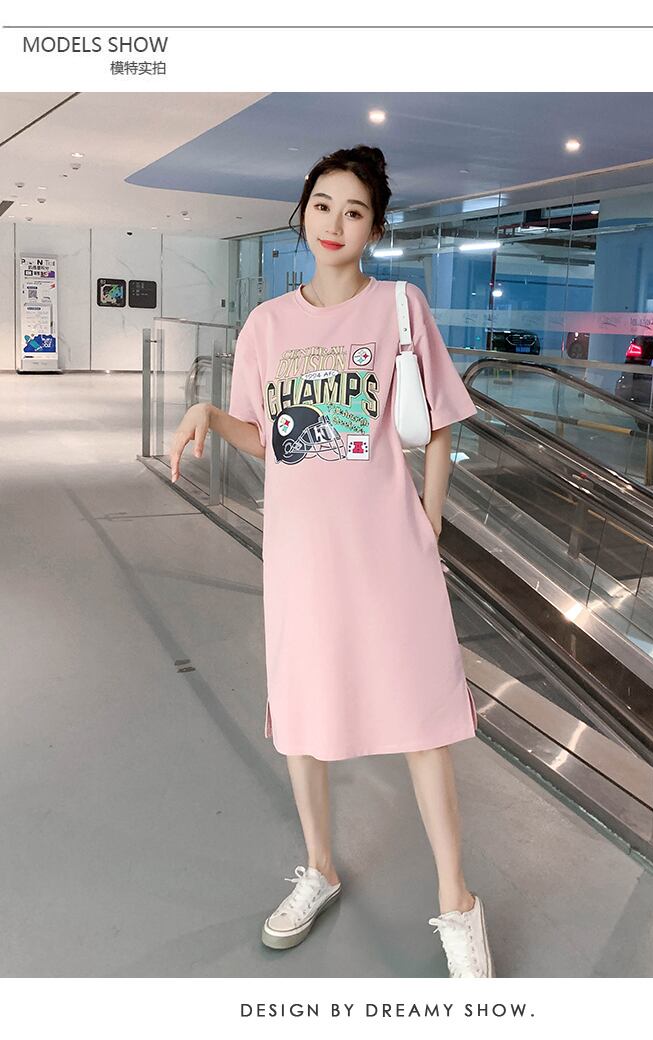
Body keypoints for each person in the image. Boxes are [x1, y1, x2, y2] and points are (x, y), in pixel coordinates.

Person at [170, 145, 494, 978]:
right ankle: (319, 867)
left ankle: (458, 902)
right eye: (322, 205)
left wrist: (429, 519)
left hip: (390, 550)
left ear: (374, 227)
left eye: (354, 211)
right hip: (302, 553)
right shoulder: (267, 325)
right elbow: (266, 434)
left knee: (422, 716)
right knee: (303, 711)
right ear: (303, 212)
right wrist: (209, 412)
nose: (335, 223)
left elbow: (438, 423)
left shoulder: (399, 308)